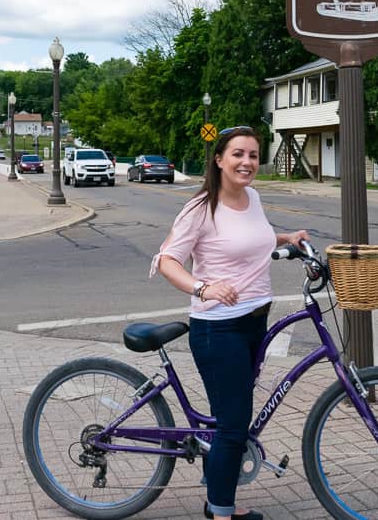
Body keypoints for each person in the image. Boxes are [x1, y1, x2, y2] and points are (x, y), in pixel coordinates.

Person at [150, 126, 308, 520]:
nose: (247, 162)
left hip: (255, 321)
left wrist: (287, 238)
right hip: (218, 328)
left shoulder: (252, 197)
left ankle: (218, 495)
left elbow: (254, 240)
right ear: (219, 159)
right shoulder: (201, 208)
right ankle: (221, 512)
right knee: (234, 424)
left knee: (231, 419)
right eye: (238, 154)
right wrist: (204, 288)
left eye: (253, 155)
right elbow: (168, 260)